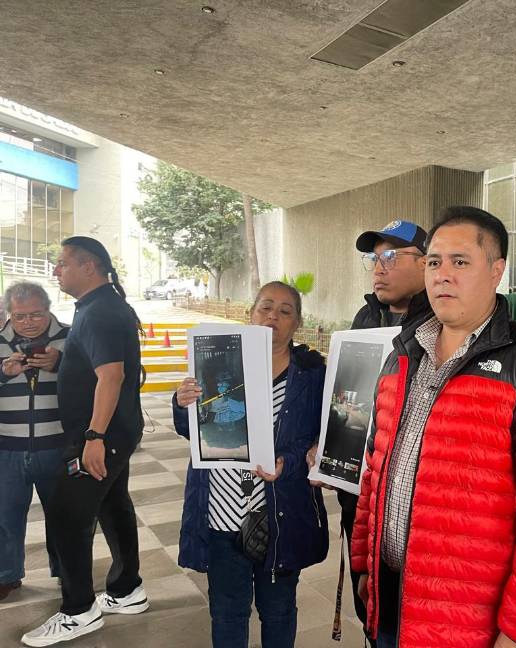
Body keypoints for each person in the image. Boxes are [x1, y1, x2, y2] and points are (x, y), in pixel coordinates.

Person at [351, 206, 516, 648]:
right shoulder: (402, 354)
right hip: (390, 604)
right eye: (434, 262)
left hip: (471, 624)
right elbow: (375, 469)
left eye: (459, 262)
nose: (442, 275)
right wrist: (365, 565)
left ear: (496, 270)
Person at [173, 281, 329, 648]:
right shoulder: (218, 364)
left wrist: (290, 462)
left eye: (285, 310)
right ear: (250, 314)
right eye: (265, 307)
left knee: (278, 611)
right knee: (227, 611)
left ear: (297, 323)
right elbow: (190, 430)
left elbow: (319, 439)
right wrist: (183, 404)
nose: (273, 315)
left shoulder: (312, 376)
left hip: (280, 514)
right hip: (221, 512)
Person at [23, 237, 147, 646]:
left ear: (88, 267)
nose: (56, 271)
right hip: (117, 431)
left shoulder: (100, 313)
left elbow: (112, 376)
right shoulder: (102, 307)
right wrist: (66, 359)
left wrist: (94, 437)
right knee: (113, 506)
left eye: (62, 264)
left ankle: (79, 610)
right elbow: (102, 365)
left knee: (66, 514)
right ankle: (127, 590)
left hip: (102, 436)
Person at [315, 218, 428, 642]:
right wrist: (329, 451)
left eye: (390, 257)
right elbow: (350, 393)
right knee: (371, 596)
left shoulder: (441, 321)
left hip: (412, 495)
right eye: (373, 258)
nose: (379, 267)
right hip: (360, 489)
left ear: (425, 263)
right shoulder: (366, 316)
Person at [0, 282, 68, 601]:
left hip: (58, 444)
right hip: (7, 448)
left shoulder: (70, 338)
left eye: (35, 314)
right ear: (9, 314)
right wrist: (4, 372)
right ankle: (6, 574)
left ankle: (67, 570)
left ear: (49, 308)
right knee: (5, 515)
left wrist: (61, 363)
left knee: (63, 515)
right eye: (19, 316)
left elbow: (94, 382)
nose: (28, 322)